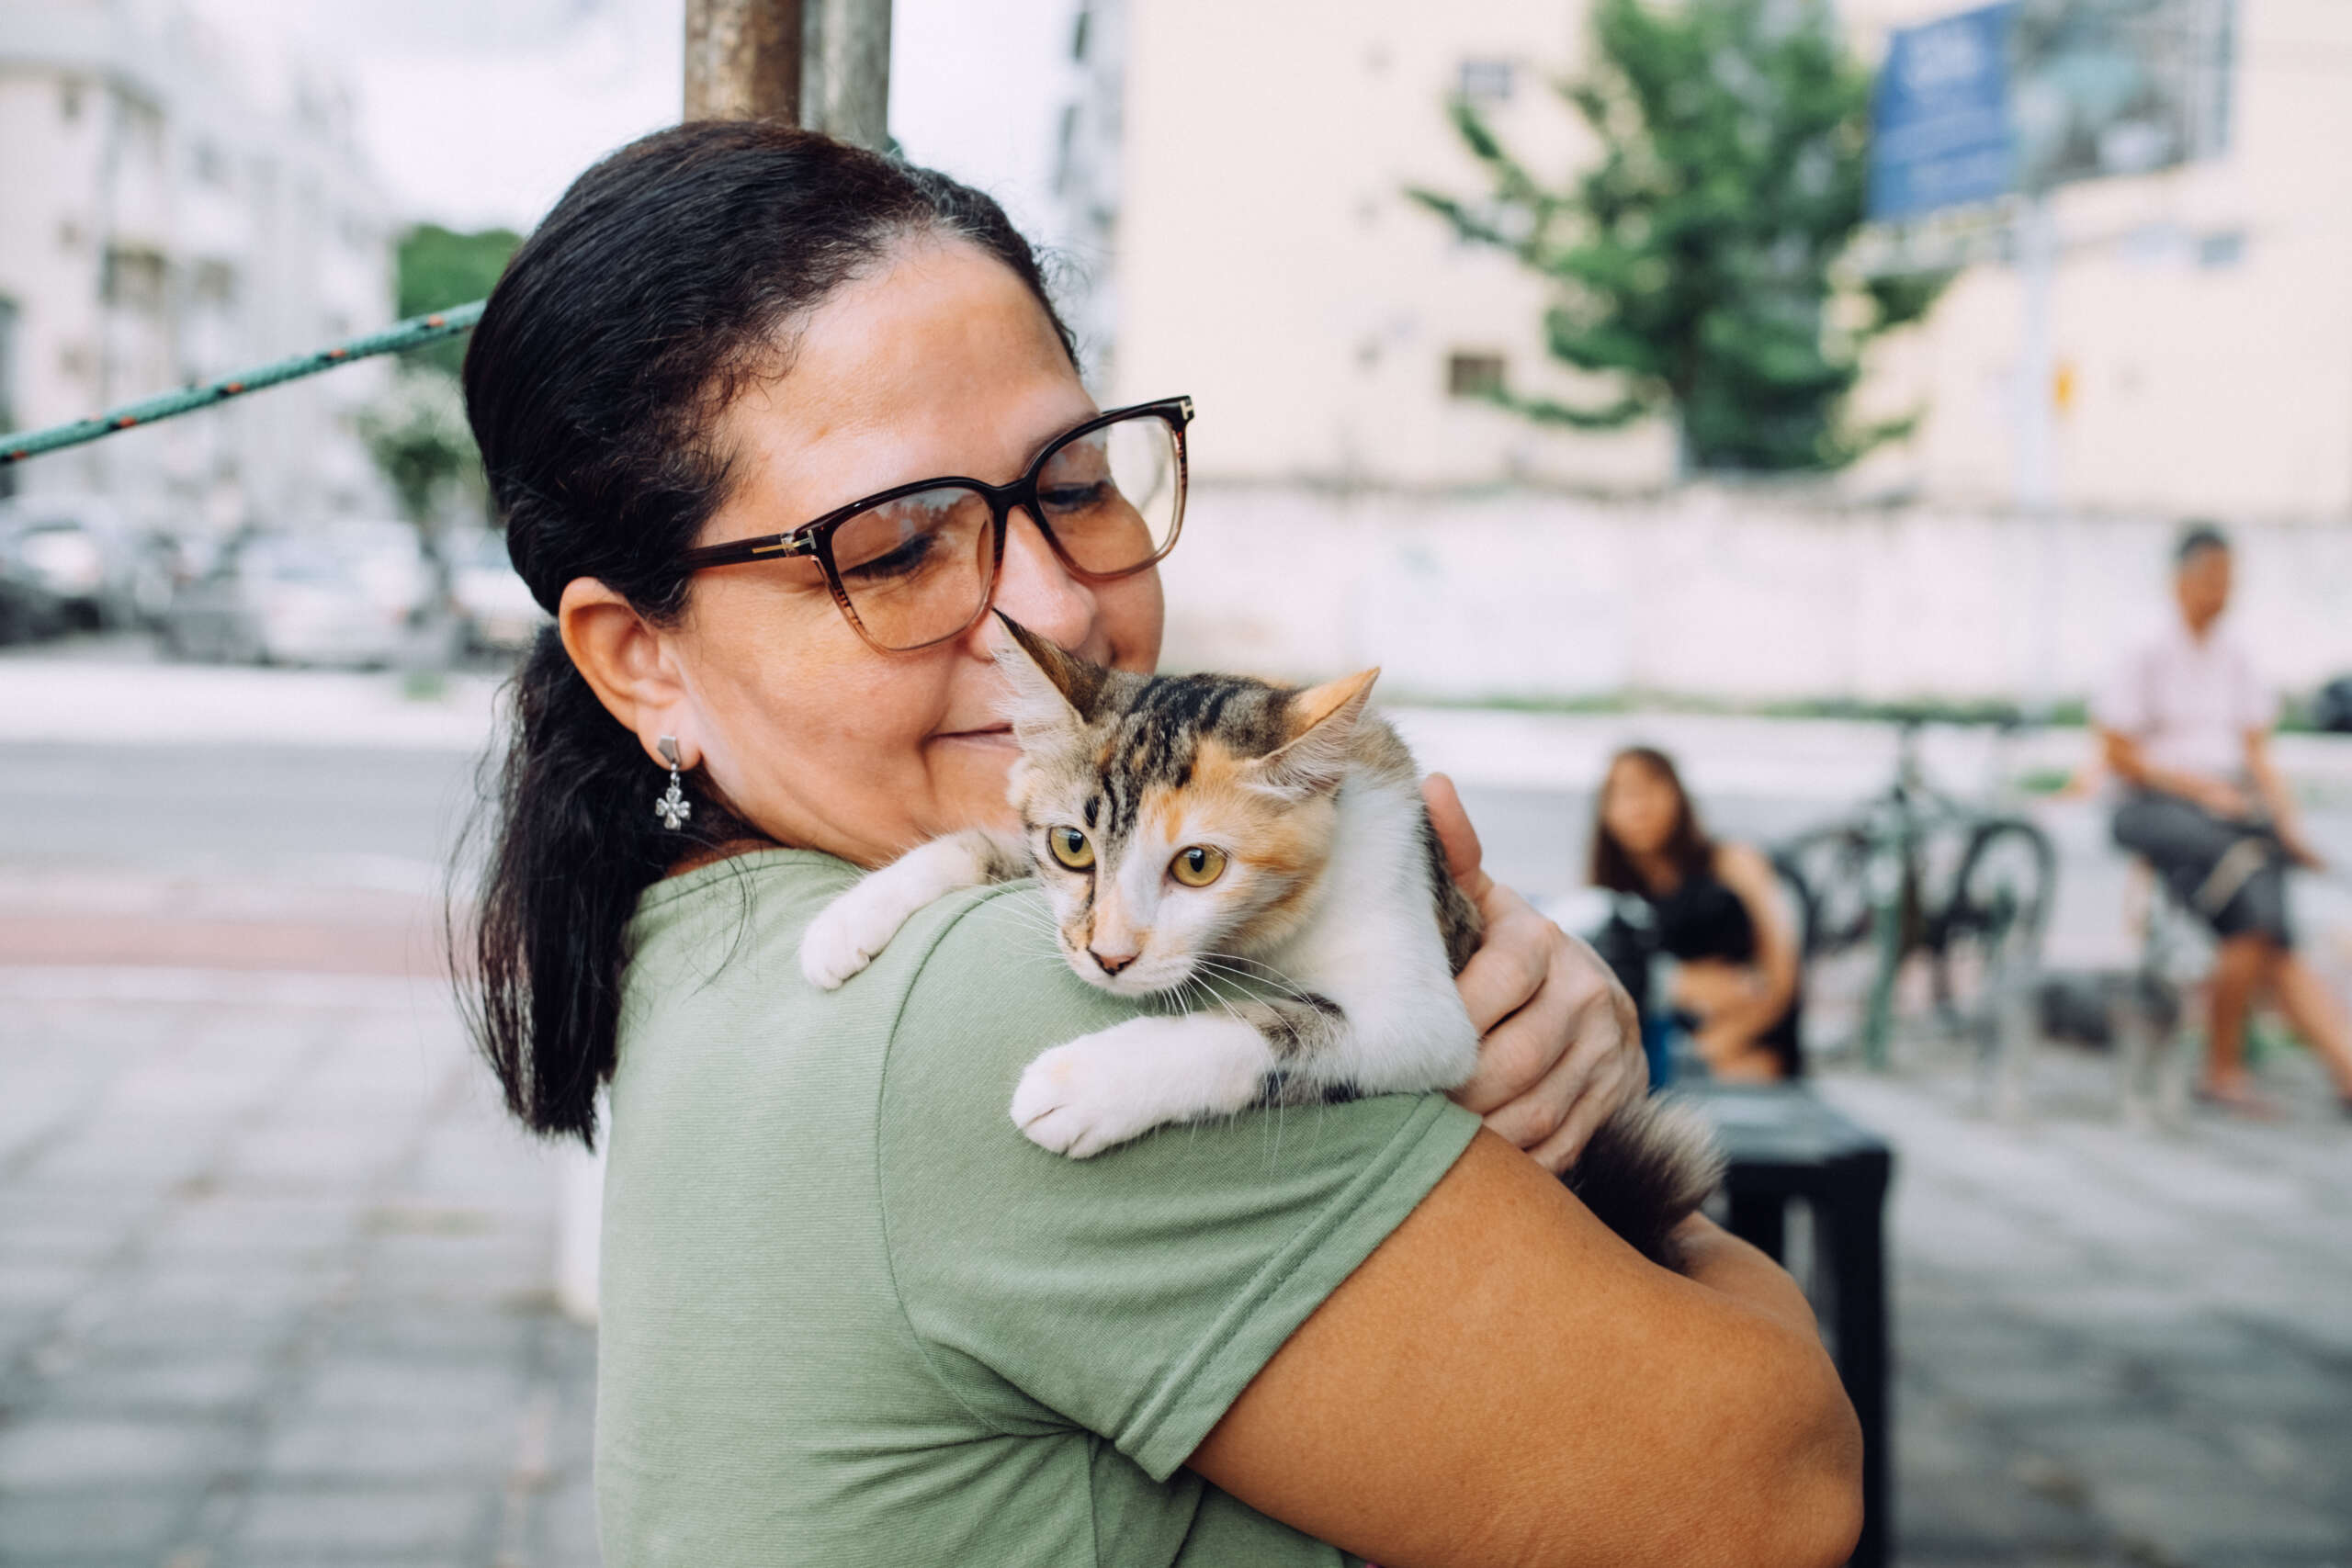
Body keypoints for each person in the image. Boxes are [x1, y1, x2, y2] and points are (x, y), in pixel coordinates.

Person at [459, 122, 1860, 1566]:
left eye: (1072, 484)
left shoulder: (719, 933)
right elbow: (1775, 1491)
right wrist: (1632, 1183)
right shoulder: (1002, 1008)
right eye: (892, 549)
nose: (1056, 610)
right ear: (642, 662)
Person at [2096, 524, 2352, 1117]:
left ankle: (2324, 1065)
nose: (2222, 591)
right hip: (2152, 806)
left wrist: (2287, 822)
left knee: (2263, 929)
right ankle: (2231, 1067)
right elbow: (2116, 750)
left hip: (2227, 814)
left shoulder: (2237, 652)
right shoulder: (2145, 645)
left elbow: (2257, 750)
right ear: (2180, 579)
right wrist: (2201, 789)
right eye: (2212, 578)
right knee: (2258, 902)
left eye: (2229, 579)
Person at [1589, 747, 1804, 1084]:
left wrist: (1712, 1047)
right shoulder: (1608, 896)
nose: (1637, 805)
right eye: (1621, 793)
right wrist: (1679, 985)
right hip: (1660, 1049)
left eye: (1649, 787)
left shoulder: (1734, 861)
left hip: (1748, 1044)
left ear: (1677, 793)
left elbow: (1783, 976)